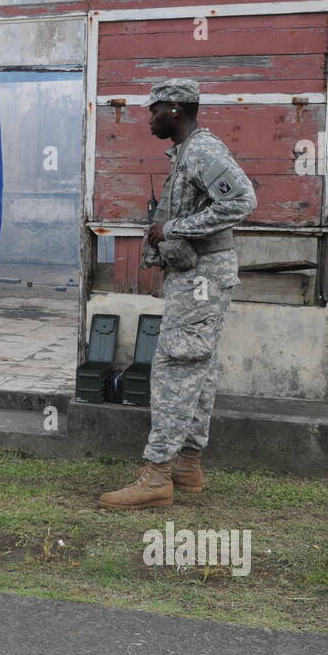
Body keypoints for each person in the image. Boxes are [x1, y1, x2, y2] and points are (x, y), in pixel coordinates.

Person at [98, 79, 256, 510]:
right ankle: (187, 462)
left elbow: (241, 200)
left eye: (154, 109)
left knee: (176, 365)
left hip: (202, 275)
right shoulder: (189, 152)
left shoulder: (203, 151)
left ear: (175, 108)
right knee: (197, 364)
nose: (148, 118)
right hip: (199, 274)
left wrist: (172, 228)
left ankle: (157, 475)